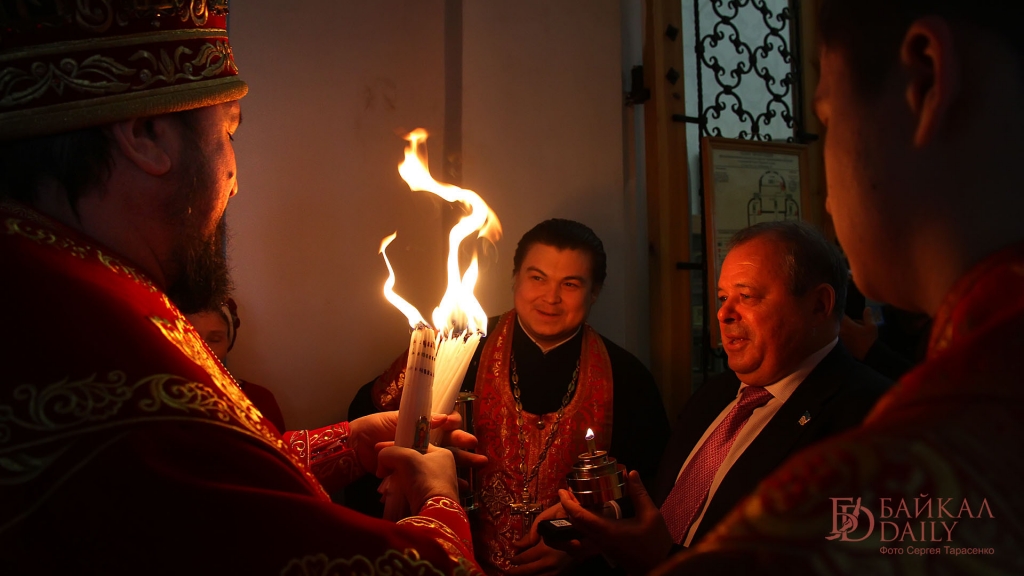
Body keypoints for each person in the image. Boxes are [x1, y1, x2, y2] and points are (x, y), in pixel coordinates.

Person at [0, 4, 484, 574]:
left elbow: (192, 492)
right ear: (147, 134)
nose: (236, 181)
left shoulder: (49, 279)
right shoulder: (106, 343)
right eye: (228, 131)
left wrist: (347, 444)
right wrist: (439, 501)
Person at [574, 2, 1024, 573]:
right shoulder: (715, 399)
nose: (827, 198)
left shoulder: (905, 450)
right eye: (721, 298)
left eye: (829, 120)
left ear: (925, 78)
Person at [528, 221, 891, 573]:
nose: (723, 313)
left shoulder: (877, 422)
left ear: (819, 305)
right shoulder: (717, 394)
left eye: (746, 296)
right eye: (722, 297)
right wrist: (606, 518)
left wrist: (662, 560)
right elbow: (672, 504)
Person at [348, 218, 671, 575]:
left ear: (594, 291)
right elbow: (365, 427)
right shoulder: (458, 347)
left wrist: (583, 540)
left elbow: (649, 488)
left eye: (570, 284)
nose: (551, 297)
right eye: (538, 278)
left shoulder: (626, 376)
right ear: (515, 277)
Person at [186, 298, 288, 433]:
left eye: (215, 340)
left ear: (228, 344)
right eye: (191, 337)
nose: (203, 349)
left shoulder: (259, 400)